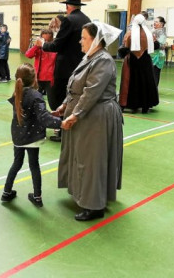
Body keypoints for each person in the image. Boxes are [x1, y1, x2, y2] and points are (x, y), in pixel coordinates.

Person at [55, 22, 123, 221]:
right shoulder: (90, 57)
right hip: (87, 113)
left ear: (96, 40)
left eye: (84, 38)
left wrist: (75, 114)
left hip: (96, 115)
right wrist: (64, 105)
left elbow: (91, 92)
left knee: (91, 160)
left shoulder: (103, 61)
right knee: (82, 157)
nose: (80, 41)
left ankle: (94, 206)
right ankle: (86, 195)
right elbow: (75, 86)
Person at [1, 63, 63, 207]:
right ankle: (37, 196)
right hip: (32, 137)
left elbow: (39, 114)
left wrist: (48, 113)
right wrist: (61, 122)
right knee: (34, 165)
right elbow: (44, 119)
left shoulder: (17, 92)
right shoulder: (36, 95)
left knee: (16, 163)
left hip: (18, 135)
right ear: (34, 79)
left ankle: (6, 192)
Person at [35, 0, 91, 142]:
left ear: (67, 6)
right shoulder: (86, 19)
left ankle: (61, 130)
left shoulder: (68, 20)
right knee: (76, 98)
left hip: (65, 68)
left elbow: (57, 45)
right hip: (81, 65)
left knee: (58, 99)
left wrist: (43, 44)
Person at [118, 13, 159, 113]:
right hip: (145, 61)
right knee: (145, 82)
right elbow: (156, 45)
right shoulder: (149, 34)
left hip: (132, 61)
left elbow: (124, 48)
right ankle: (145, 106)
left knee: (131, 82)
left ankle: (131, 104)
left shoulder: (130, 34)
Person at [25, 29, 57, 100]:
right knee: (34, 99)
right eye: (44, 40)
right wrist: (36, 46)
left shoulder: (54, 49)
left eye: (48, 40)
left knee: (52, 100)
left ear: (52, 39)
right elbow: (28, 55)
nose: (46, 42)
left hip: (50, 79)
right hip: (38, 78)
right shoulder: (38, 49)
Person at [150, 16, 167, 86]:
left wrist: (154, 39)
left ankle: (154, 88)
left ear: (161, 24)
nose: (154, 23)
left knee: (155, 72)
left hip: (158, 55)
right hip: (151, 54)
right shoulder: (153, 31)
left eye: (156, 22)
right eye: (154, 21)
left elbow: (160, 44)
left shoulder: (162, 32)